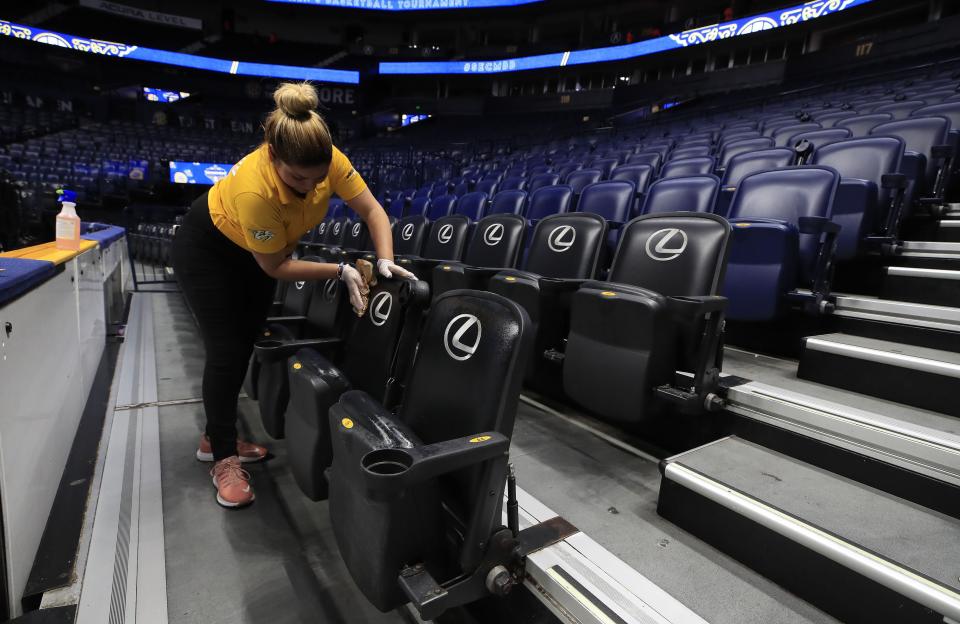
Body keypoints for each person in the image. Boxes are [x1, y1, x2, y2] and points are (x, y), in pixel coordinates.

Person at [172, 81, 415, 508]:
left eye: (317, 177)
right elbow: (274, 267)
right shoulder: (254, 189)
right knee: (226, 351)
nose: (308, 185)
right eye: (297, 177)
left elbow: (373, 210)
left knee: (246, 341)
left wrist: (384, 258)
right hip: (210, 251)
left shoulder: (328, 160)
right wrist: (340, 270)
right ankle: (224, 458)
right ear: (272, 152)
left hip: (267, 251)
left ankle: (217, 435)